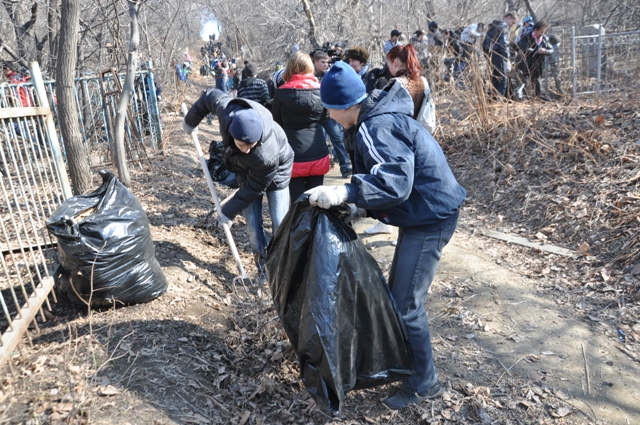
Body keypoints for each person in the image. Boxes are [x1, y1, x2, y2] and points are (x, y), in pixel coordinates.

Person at [308, 61, 466, 409]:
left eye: (330, 109)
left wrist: (346, 193)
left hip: (431, 216)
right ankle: (412, 370)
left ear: (344, 105)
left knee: (406, 306)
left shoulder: (375, 125)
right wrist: (359, 207)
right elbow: (385, 178)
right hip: (423, 213)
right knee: (399, 298)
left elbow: (395, 183)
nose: (329, 116)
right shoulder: (371, 119)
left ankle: (425, 384)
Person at [182, 90, 294, 276]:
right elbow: (209, 97)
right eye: (243, 145)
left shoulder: (265, 155)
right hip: (247, 169)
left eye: (252, 145)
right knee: (253, 227)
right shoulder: (227, 112)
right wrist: (190, 121)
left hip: (278, 170)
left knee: (279, 224)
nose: (248, 150)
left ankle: (281, 271)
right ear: (232, 133)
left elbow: (252, 189)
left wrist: (228, 211)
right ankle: (263, 269)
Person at [271, 52, 329, 203]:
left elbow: (276, 122)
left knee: (297, 203)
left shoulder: (281, 93)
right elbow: (324, 118)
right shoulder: (321, 90)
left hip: (292, 153)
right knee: (316, 202)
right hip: (317, 149)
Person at [313, 50, 352, 177]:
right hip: (314, 114)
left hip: (328, 114)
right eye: (322, 62)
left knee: (338, 139)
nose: (325, 65)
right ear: (315, 62)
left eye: (327, 62)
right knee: (316, 142)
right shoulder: (309, 76)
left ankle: (345, 167)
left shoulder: (330, 75)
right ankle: (317, 168)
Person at [483, 11, 517, 98]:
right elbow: (504, 45)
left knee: (494, 79)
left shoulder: (492, 26)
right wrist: (507, 59)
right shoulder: (504, 27)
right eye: (513, 22)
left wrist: (487, 56)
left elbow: (484, 44)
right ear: (508, 18)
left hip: (491, 55)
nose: (513, 25)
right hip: (499, 55)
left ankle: (491, 100)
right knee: (502, 79)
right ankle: (499, 100)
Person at [517, 21, 553, 101]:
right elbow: (523, 48)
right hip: (526, 64)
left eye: (544, 32)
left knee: (537, 81)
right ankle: (523, 98)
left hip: (537, 64)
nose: (543, 33)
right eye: (541, 31)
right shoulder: (526, 37)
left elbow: (551, 50)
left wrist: (545, 51)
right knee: (525, 82)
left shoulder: (545, 39)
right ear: (535, 30)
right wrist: (535, 50)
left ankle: (541, 97)